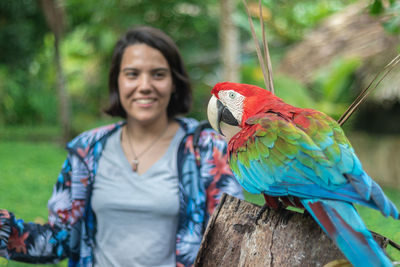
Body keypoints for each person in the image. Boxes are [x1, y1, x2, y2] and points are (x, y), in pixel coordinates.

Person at [0, 26, 243, 267]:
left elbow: (229, 244)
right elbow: (60, 240)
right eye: (132, 74)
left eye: (158, 74)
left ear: (174, 83)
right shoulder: (88, 150)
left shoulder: (207, 150)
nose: (145, 85)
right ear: (117, 81)